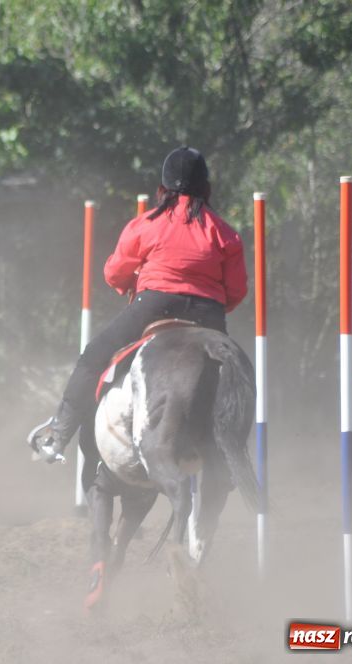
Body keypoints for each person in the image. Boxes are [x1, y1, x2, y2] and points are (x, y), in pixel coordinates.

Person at [27, 146, 248, 488]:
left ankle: (58, 433)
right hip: (208, 313)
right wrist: (211, 308)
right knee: (231, 372)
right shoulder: (225, 232)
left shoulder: (146, 224)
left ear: (163, 188)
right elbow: (236, 290)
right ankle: (230, 462)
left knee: (93, 355)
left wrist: (130, 286)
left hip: (154, 304)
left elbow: (114, 272)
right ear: (206, 187)